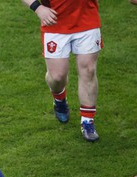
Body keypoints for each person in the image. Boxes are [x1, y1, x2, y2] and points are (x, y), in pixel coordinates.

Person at [21, 0, 102, 142]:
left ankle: (87, 121)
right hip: (55, 23)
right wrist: (38, 8)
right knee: (58, 77)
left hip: (87, 20)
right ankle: (59, 98)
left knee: (88, 70)